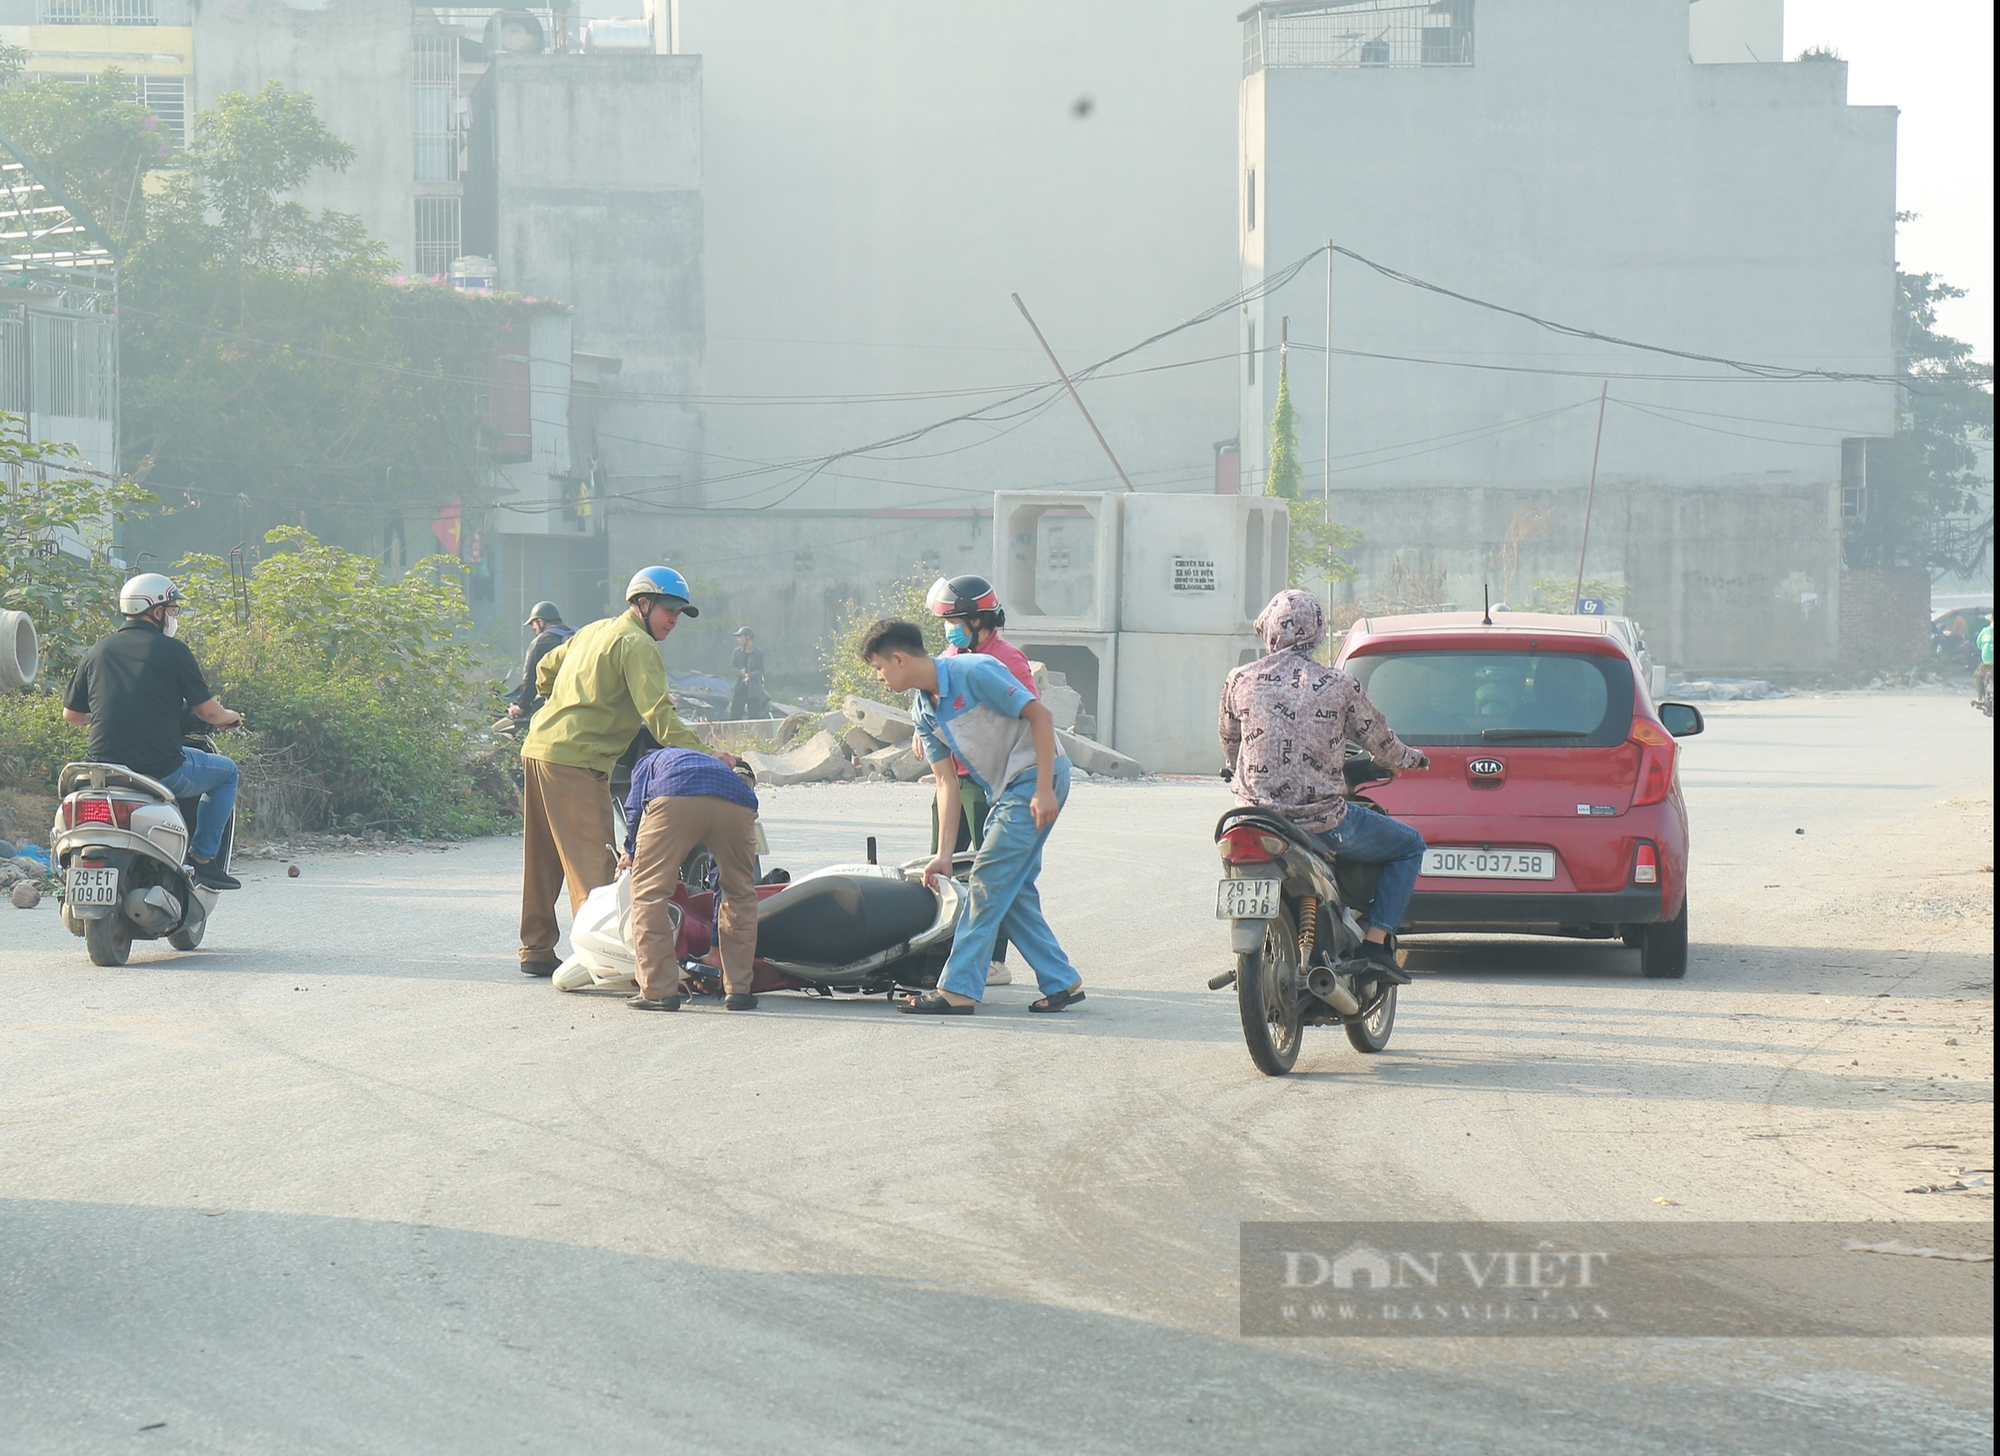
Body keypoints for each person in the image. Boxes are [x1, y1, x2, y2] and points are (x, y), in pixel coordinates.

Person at [516, 567, 730, 977]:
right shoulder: (638, 645)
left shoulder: (595, 631)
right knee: (594, 865)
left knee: (543, 859)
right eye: (668, 609)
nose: (674, 620)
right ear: (642, 604)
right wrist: (707, 756)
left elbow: (546, 667)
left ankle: (536, 948)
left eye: (680, 613)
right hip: (577, 758)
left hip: (539, 748)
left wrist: (558, 701)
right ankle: (602, 959)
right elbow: (659, 717)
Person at [862, 619, 1083, 1015]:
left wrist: (1045, 788)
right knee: (1011, 889)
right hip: (1008, 790)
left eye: (879, 667)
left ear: (898, 658)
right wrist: (943, 855)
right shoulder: (923, 711)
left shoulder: (974, 671)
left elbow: (1041, 717)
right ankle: (1061, 979)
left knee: (986, 880)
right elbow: (945, 782)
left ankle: (958, 989)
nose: (879, 677)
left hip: (1035, 778)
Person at [1218, 589, 1430, 977]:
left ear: (1268, 632)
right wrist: (1413, 761)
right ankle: (1376, 945)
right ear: (1316, 633)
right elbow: (1381, 744)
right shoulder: (1338, 685)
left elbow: (1231, 745)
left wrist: (1237, 770)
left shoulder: (1239, 680)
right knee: (1409, 845)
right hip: (1324, 822)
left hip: (1252, 819)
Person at [62, 574, 244, 891]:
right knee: (227, 772)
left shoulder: (98, 651)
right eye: (172, 610)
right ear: (156, 611)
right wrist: (230, 716)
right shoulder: (173, 651)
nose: (173, 617)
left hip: (106, 770)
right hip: (161, 769)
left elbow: (73, 715)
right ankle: (202, 860)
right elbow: (208, 713)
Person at [925, 573, 1034, 987]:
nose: (948, 630)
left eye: (953, 620)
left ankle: (993, 959)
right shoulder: (952, 652)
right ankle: (938, 947)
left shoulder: (1008, 660)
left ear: (978, 620)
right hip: (954, 777)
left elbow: (1027, 715)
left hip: (993, 781)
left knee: (992, 872)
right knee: (941, 863)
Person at [617, 746, 762, 1012]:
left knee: (650, 893)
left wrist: (630, 850)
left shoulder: (649, 761)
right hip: (737, 803)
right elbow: (719, 879)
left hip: (676, 795)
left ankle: (658, 990)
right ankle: (739, 989)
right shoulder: (715, 766)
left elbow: (635, 808)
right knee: (739, 893)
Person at [506, 601, 574, 724]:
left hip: (555, 705)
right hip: (580, 699)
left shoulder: (540, 642)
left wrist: (521, 707)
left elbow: (530, 677)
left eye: (534, 624)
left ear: (540, 622)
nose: (534, 628)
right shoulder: (576, 635)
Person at [726, 626, 770, 721]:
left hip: (753, 690)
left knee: (754, 718)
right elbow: (732, 668)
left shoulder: (758, 653)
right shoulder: (737, 652)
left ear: (748, 637)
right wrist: (740, 672)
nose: (738, 640)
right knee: (734, 716)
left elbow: (762, 670)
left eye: (740, 637)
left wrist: (750, 675)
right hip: (739, 688)